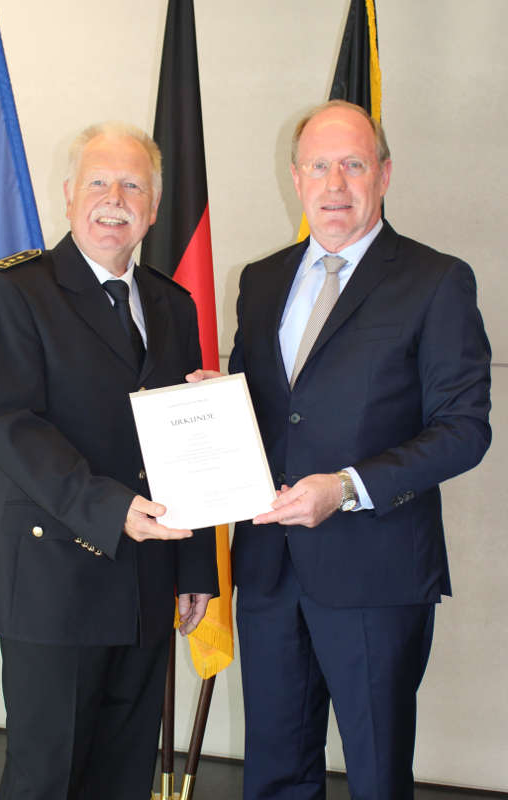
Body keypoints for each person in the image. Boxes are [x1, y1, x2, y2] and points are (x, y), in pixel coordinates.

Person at [191, 99, 491, 798]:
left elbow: (464, 427)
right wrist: (217, 405)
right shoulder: (261, 281)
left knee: (378, 776)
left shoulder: (436, 280)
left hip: (375, 573)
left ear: (384, 175)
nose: (335, 184)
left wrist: (348, 486)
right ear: (295, 178)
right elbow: (275, 413)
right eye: (319, 166)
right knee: (273, 773)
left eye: (353, 165)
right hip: (268, 568)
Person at [0, 121, 218, 800]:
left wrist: (195, 567)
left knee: (122, 776)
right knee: (48, 779)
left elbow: (187, 441)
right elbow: (9, 423)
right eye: (100, 181)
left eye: (132, 184)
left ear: (154, 208)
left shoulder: (172, 303)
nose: (115, 197)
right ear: (71, 193)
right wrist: (111, 508)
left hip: (145, 581)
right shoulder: (15, 291)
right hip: (54, 582)